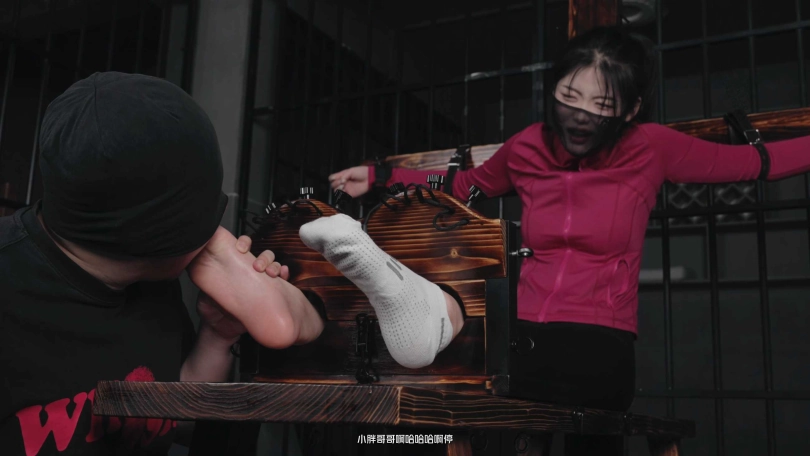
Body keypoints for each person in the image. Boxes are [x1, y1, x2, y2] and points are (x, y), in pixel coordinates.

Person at [306, 26, 810, 452]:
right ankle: (421, 323)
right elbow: (462, 189)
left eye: (601, 104)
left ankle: (426, 320)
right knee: (467, 398)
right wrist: (382, 176)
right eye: (570, 96)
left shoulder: (651, 148)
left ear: (631, 109)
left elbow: (754, 163)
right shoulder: (527, 147)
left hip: (601, 342)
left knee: (555, 411)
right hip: (522, 335)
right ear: (553, 91)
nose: (581, 115)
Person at [0, 72, 323, 456]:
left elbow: (174, 424)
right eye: (207, 227)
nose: (216, 233)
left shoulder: (150, 276)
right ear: (163, 238)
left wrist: (217, 336)